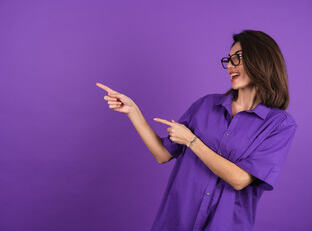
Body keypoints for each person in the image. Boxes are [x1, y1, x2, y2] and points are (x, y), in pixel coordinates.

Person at [96, 30, 297, 231]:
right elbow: (162, 154)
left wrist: (192, 141)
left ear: (261, 60)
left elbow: (240, 179)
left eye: (238, 58)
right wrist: (133, 111)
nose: (229, 66)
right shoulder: (206, 106)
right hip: (177, 220)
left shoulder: (279, 125)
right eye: (228, 59)